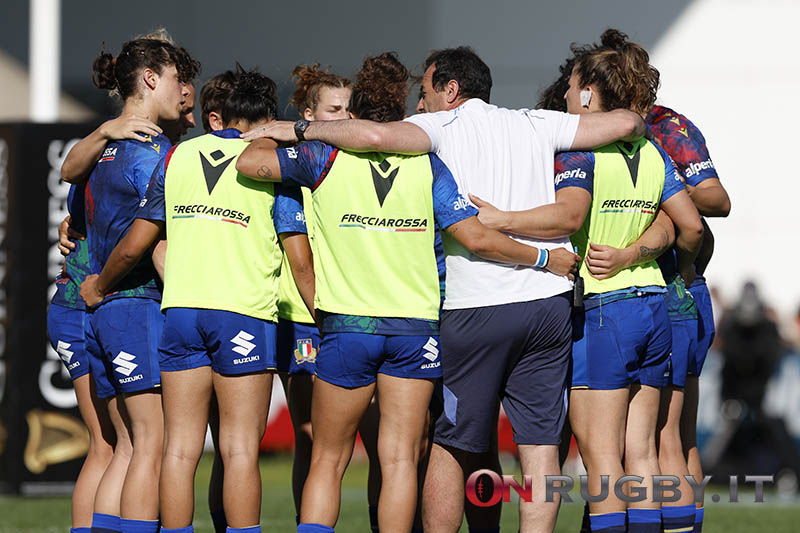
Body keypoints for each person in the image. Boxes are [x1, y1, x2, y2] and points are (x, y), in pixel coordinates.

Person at [242, 45, 647, 533]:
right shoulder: (536, 121)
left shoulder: (438, 130)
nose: (421, 104)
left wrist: (300, 128)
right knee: (539, 447)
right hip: (546, 303)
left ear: (450, 90)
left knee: (451, 443)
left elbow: (372, 136)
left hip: (473, 307)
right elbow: (626, 123)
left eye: (427, 91)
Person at [82, 66, 287, 533]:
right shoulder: (273, 160)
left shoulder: (177, 157)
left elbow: (138, 241)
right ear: (269, 115)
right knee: (238, 448)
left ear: (218, 115)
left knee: (178, 448)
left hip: (181, 312)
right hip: (242, 311)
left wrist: (100, 282)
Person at [76, 37, 199, 533]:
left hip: (105, 315)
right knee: (153, 442)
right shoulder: (151, 156)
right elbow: (147, 245)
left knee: (126, 446)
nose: (184, 90)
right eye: (176, 79)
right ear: (151, 78)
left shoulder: (104, 149)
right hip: (134, 305)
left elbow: (73, 201)